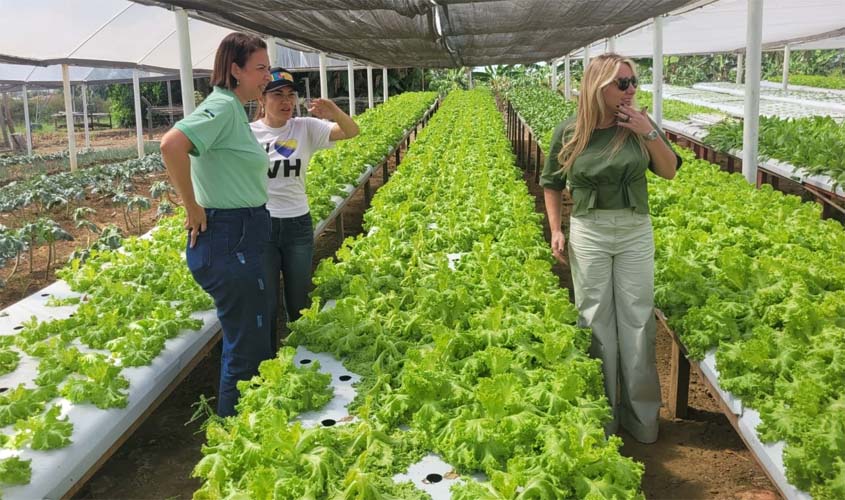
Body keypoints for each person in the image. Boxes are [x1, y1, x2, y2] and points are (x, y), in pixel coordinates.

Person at [540, 53, 681, 444]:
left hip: (635, 228)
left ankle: (642, 419)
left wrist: (646, 131)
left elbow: (669, 170)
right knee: (595, 320)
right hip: (589, 229)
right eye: (622, 83)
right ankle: (603, 415)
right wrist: (556, 229)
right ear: (597, 86)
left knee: (637, 320)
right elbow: (551, 183)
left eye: (633, 81)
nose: (631, 89)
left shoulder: (640, 124)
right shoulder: (569, 131)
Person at [159, 32, 273, 418]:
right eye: (260, 68)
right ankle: (234, 435)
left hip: (243, 233)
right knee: (245, 346)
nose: (267, 76)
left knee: (251, 338)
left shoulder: (235, 111)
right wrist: (191, 207)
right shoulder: (223, 107)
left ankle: (248, 423)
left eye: (268, 67)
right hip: (230, 237)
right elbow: (171, 145)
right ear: (235, 70)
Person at [250, 68, 359, 347]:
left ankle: (298, 352)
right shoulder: (248, 134)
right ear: (261, 99)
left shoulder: (305, 127)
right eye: (278, 95)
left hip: (297, 223)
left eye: (291, 95)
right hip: (261, 224)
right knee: (266, 299)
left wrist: (333, 109)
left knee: (299, 297)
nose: (287, 101)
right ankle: (269, 355)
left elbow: (351, 131)